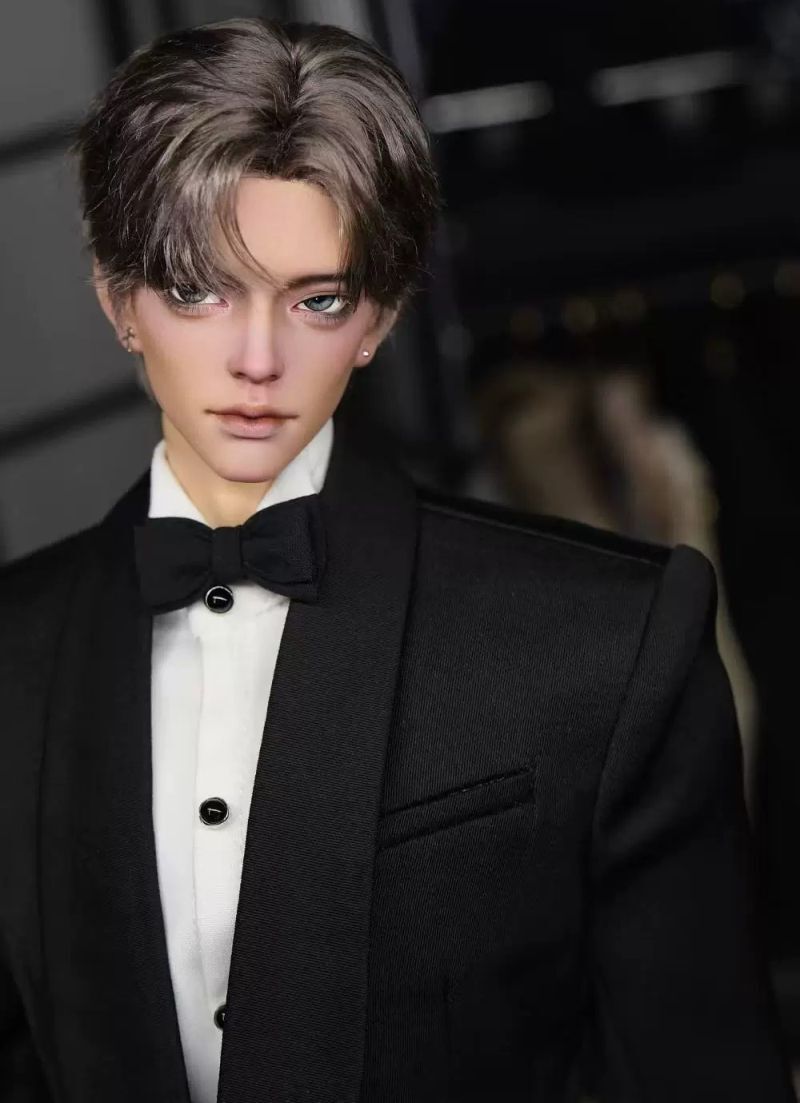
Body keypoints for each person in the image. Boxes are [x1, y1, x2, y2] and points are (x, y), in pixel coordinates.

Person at [0, 16, 794, 1103]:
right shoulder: (16, 658)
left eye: (315, 298)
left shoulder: (603, 640)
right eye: (198, 290)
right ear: (116, 300)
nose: (256, 357)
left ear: (376, 315)